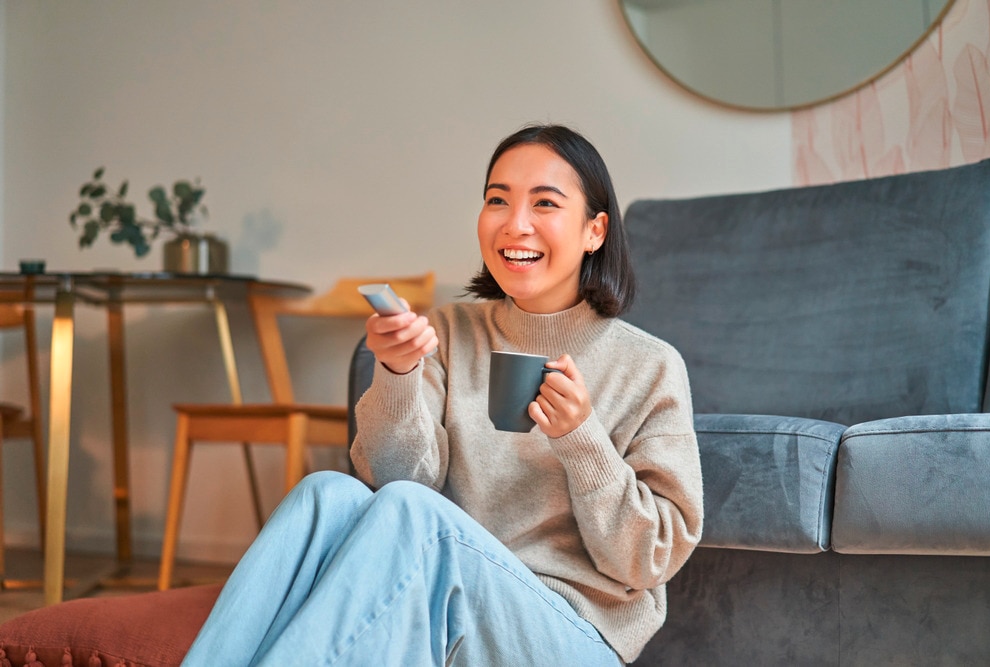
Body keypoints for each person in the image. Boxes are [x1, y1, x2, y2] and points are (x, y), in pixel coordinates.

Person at [181, 124, 703, 666]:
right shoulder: (450, 333)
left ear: (594, 230)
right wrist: (399, 373)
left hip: (571, 636)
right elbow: (394, 483)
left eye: (544, 203)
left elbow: (650, 559)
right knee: (325, 496)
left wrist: (582, 440)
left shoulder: (650, 366)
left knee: (413, 515)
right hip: (443, 602)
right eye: (497, 200)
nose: (515, 224)